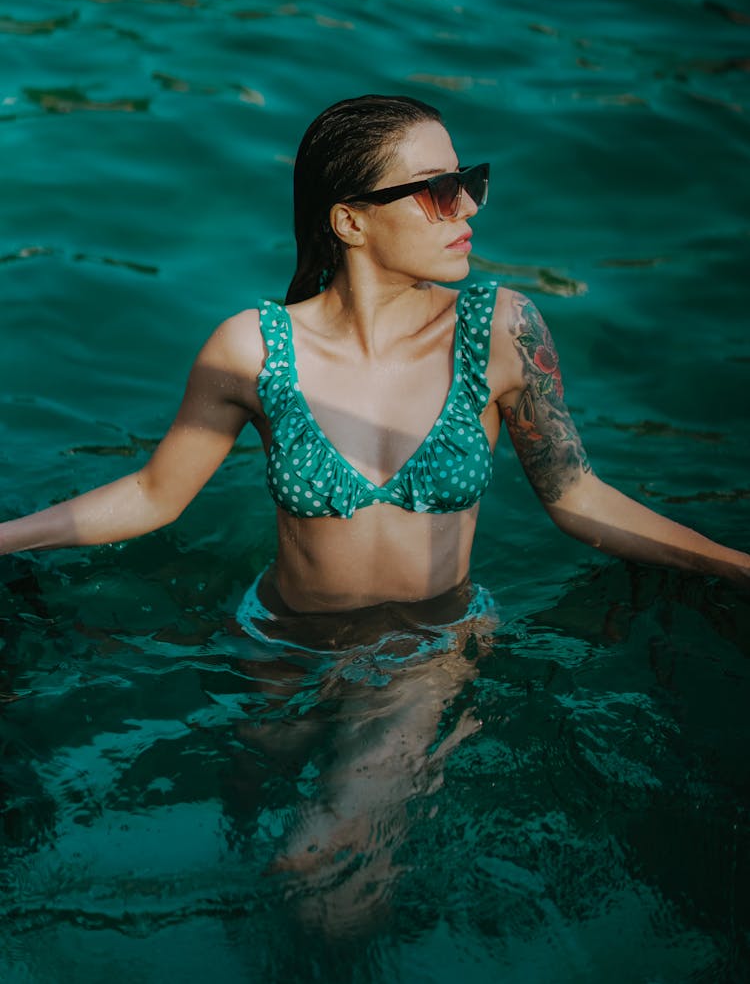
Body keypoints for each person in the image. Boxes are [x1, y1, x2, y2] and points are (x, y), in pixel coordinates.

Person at [1, 93, 748, 608]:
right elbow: (155, 494)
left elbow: (577, 495)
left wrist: (735, 566)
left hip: (428, 650)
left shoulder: (500, 333)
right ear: (351, 222)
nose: (469, 209)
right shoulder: (254, 348)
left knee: (320, 843)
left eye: (470, 182)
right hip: (281, 642)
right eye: (438, 191)